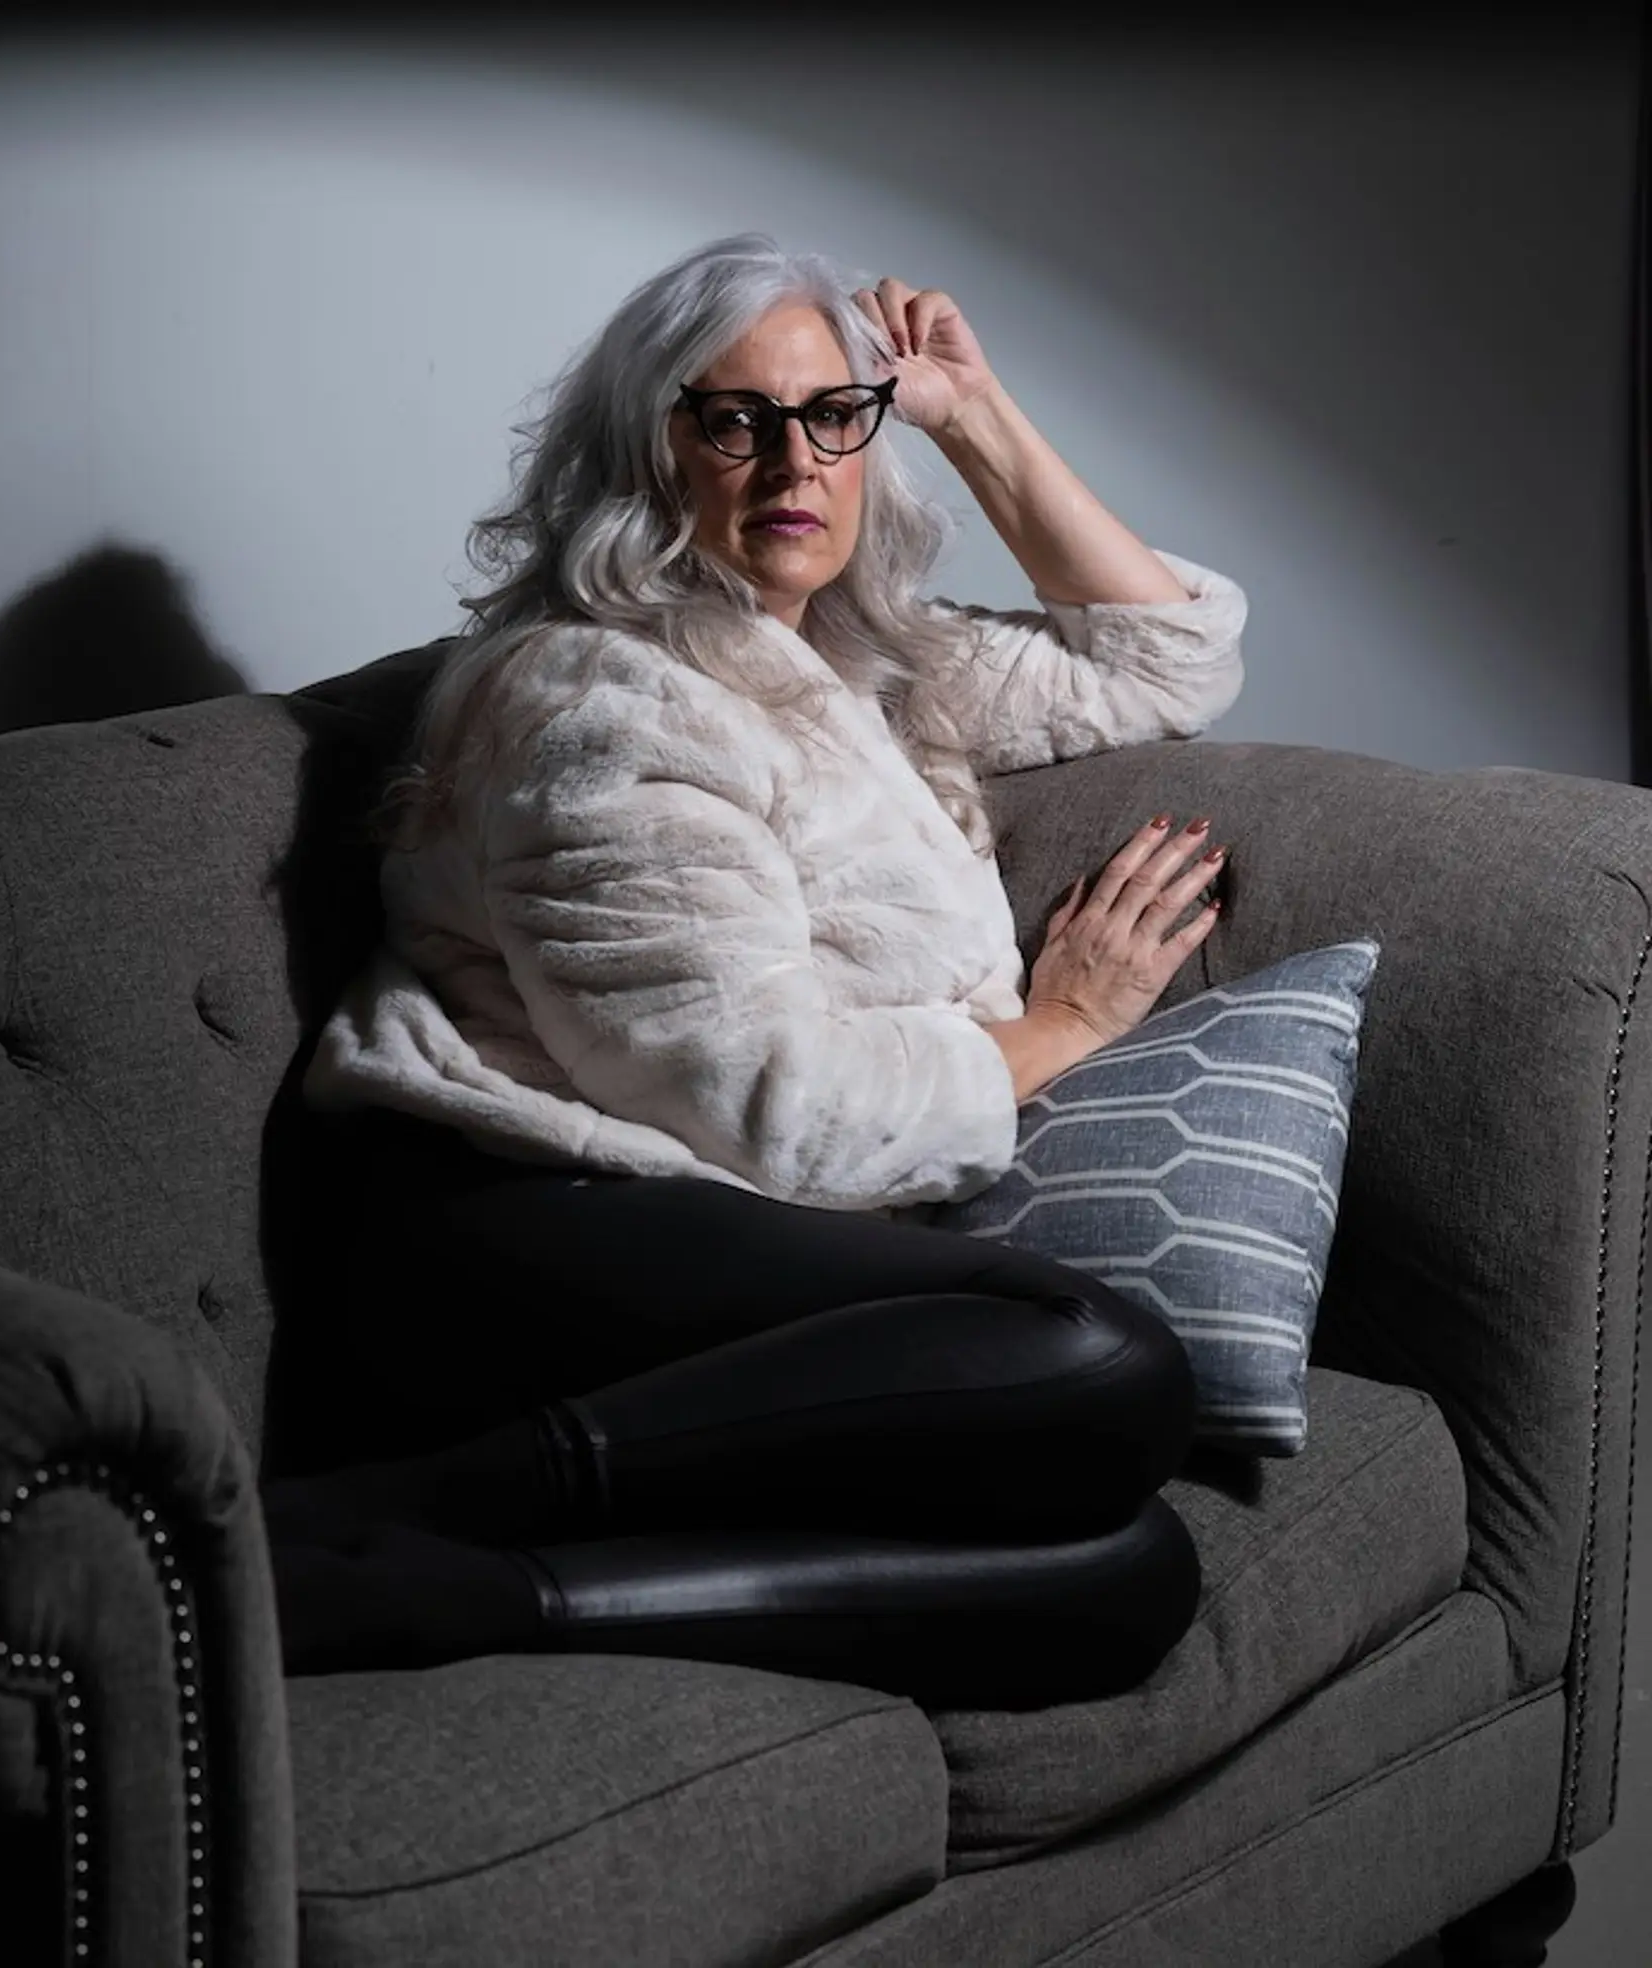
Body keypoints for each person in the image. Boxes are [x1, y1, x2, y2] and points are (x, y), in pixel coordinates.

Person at [268, 232, 1247, 1711]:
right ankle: (395, 1504)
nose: (795, 461)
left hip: (709, 1234)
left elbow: (1167, 660)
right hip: (517, 1234)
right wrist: (1062, 1021)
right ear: (646, 453)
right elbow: (773, 1106)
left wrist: (972, 414)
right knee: (1100, 1361)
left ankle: (469, 1592)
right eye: (735, 420)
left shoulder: (855, 665)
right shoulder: (601, 699)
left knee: (1137, 1576)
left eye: (833, 416)